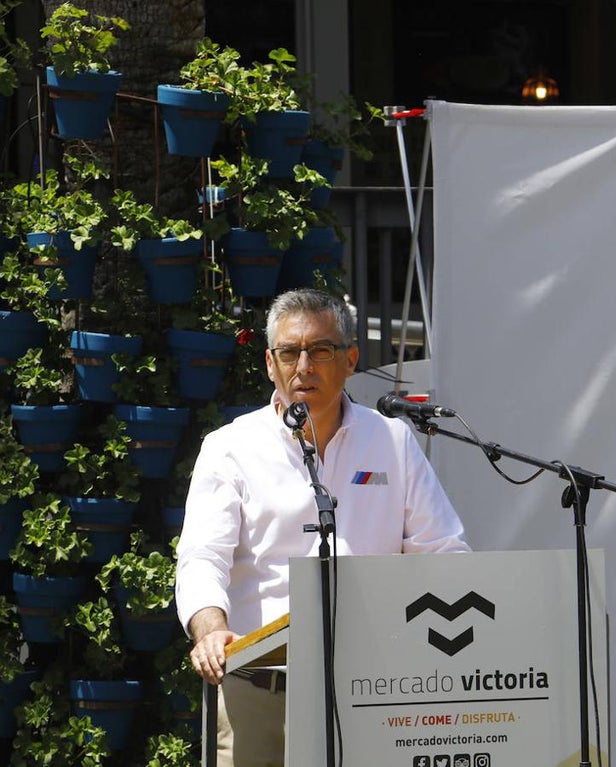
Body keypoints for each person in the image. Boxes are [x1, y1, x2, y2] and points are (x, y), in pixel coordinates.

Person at [175, 288, 469, 766]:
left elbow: (442, 552)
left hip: (372, 687)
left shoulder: (391, 440)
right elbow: (202, 558)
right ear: (270, 364)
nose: (304, 367)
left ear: (350, 359)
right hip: (258, 692)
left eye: (320, 351)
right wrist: (210, 629)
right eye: (289, 353)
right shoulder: (230, 448)